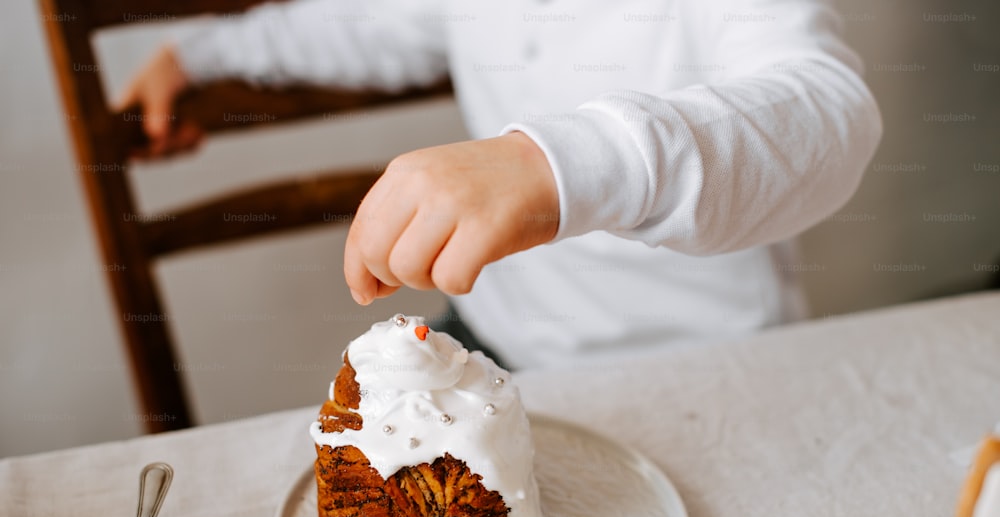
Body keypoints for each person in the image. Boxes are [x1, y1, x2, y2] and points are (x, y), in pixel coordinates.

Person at [117, 0, 882, 370]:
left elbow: (830, 110)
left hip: (700, 359)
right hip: (496, 340)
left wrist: (558, 164)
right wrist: (196, 55)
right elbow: (359, 29)